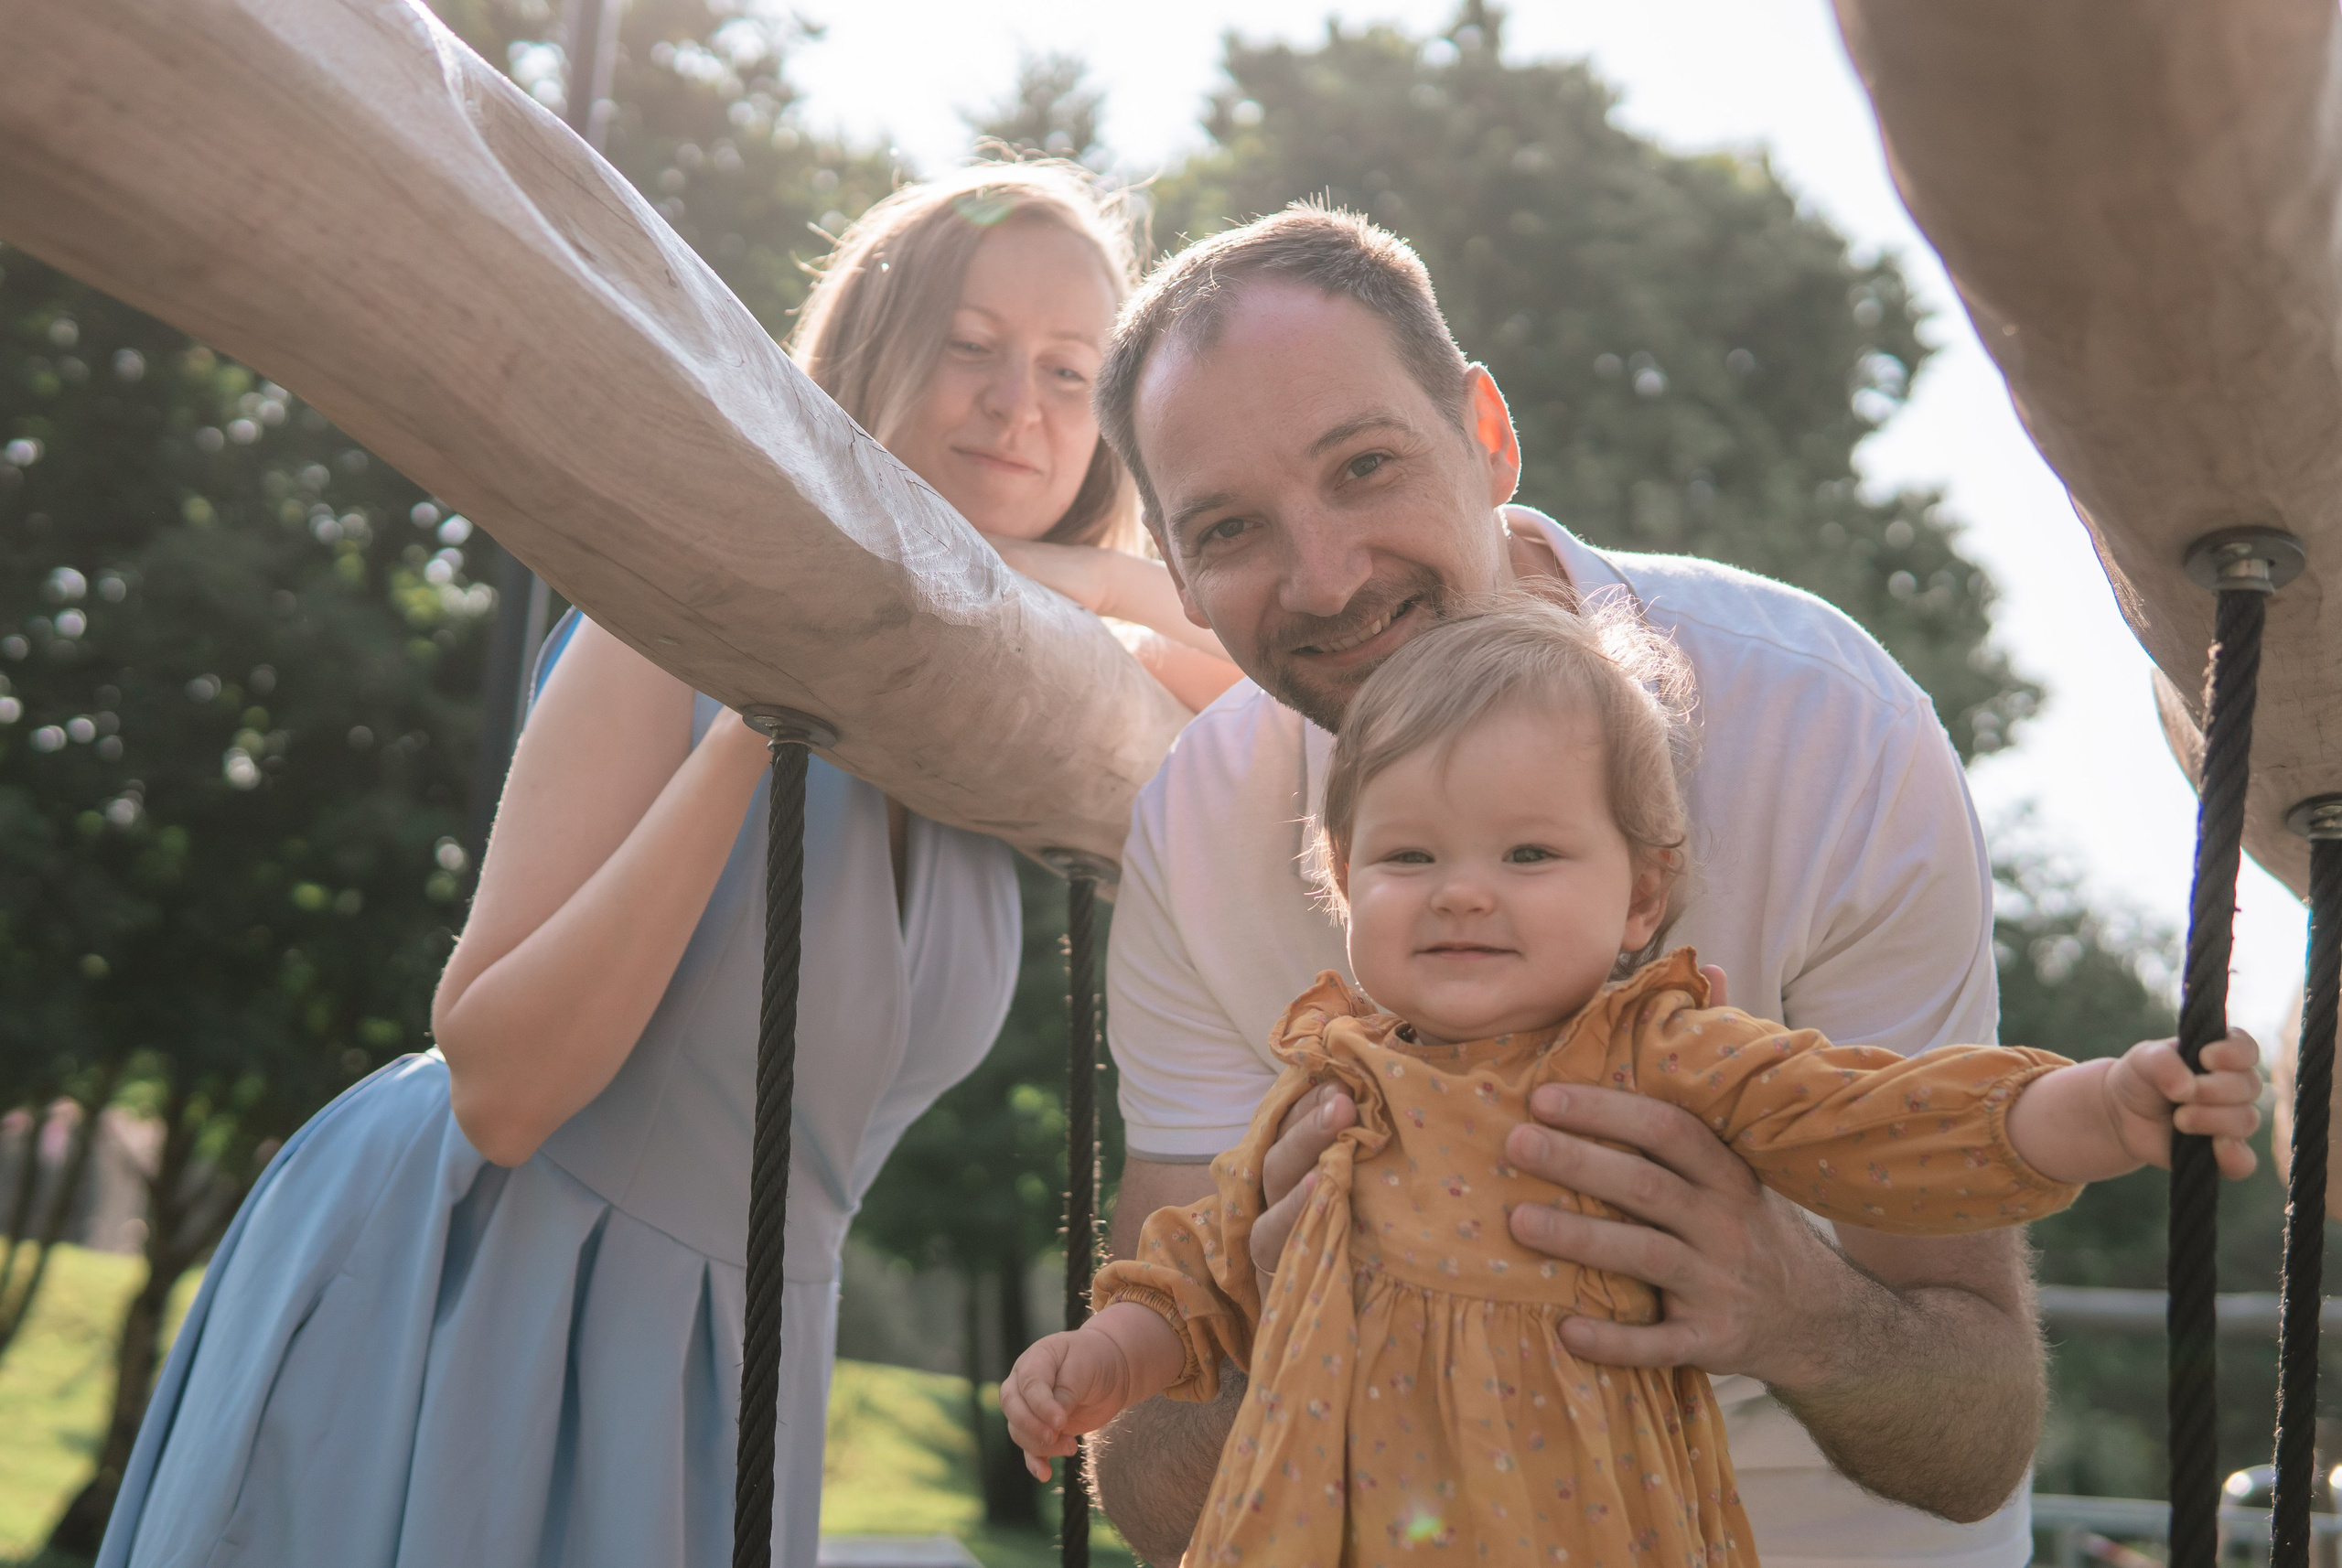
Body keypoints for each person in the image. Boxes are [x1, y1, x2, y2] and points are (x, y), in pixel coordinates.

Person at [96, 162, 1237, 1568]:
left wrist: (1085, 582)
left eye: (1072, 372)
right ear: (876, 350)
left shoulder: (1020, 720)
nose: (1021, 404)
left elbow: (1274, 705)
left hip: (738, 1350)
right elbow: (503, 1097)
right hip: (476, 1293)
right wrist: (767, 710)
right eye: (971, 344)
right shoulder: (667, 623)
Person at [1079, 202, 2202, 1568]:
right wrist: (1269, 1289)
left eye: (1366, 465)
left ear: (1489, 437)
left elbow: (1977, 1436)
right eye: (1231, 528)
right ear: (1182, 583)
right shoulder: (1198, 831)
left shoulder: (1827, 730)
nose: (1327, 575)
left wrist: (1787, 1305)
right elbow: (1143, 1480)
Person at [1004, 595, 2262, 1564]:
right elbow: (1204, 1268)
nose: (1463, 887)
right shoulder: (1329, 1082)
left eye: (1531, 849)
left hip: (1586, 1516)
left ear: (1640, 893)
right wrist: (1107, 1357)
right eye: (1409, 853)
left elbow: (1884, 1117)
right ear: (1342, 879)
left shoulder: (1659, 1055)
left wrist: (2100, 1106)